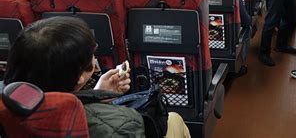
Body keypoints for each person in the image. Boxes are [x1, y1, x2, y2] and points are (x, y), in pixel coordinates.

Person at [4, 17, 190, 138]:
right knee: (174, 120)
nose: (94, 59)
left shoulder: (7, 105)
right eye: (91, 56)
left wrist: (96, 95)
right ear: (79, 77)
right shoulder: (124, 122)